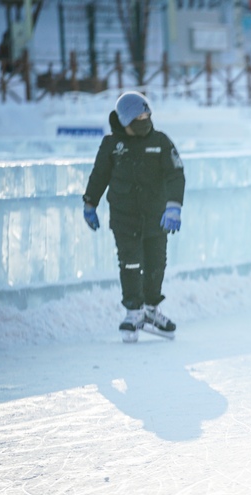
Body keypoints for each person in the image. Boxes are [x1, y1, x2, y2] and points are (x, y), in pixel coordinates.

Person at [82, 91, 185, 343]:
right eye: (139, 116)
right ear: (126, 119)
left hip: (156, 217)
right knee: (130, 263)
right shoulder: (111, 146)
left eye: (147, 115)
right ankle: (133, 312)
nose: (145, 120)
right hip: (123, 217)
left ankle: (151, 310)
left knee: (155, 263)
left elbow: (175, 174)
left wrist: (173, 206)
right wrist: (89, 204)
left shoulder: (160, 141)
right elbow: (99, 176)